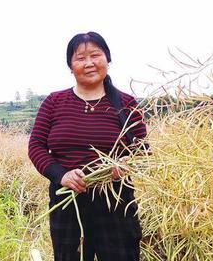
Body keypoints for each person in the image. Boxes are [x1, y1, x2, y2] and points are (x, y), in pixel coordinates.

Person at [28, 32, 148, 261]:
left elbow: (142, 150)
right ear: (70, 67)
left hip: (116, 202)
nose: (89, 63)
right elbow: (36, 146)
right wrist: (61, 175)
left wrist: (125, 165)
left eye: (95, 55)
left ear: (108, 60)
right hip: (67, 200)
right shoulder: (54, 102)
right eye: (80, 58)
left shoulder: (126, 103)